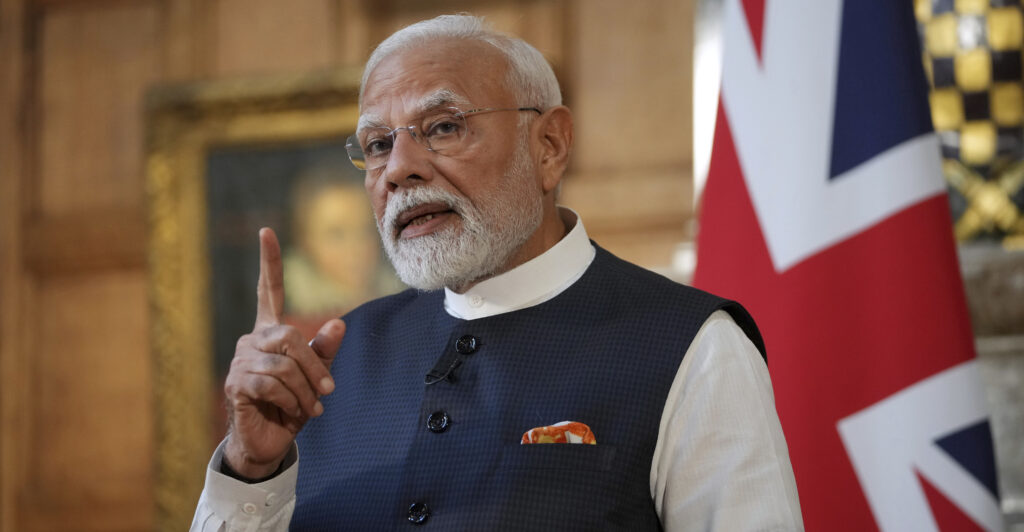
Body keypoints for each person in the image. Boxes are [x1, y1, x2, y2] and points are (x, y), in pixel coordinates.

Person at [191, 14, 803, 531]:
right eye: (378, 145)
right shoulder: (332, 364)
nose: (400, 168)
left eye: (444, 127)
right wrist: (252, 467)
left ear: (550, 146)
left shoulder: (691, 347)